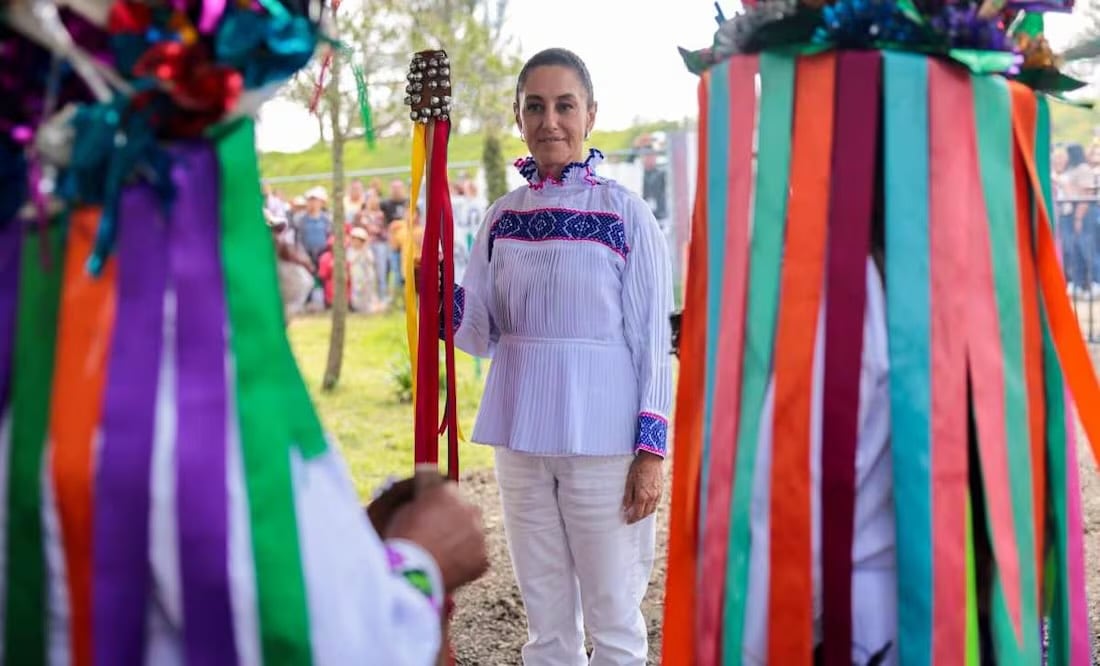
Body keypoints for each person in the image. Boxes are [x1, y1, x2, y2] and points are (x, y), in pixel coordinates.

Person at [447, 47, 673, 666]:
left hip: (604, 440)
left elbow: (653, 340)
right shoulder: (501, 217)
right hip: (520, 436)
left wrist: (650, 453)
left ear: (590, 114)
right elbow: (480, 331)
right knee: (545, 615)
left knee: (613, 611)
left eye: (564, 106)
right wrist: (440, 293)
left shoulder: (626, 213)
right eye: (535, 107)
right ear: (517, 117)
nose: (550, 121)